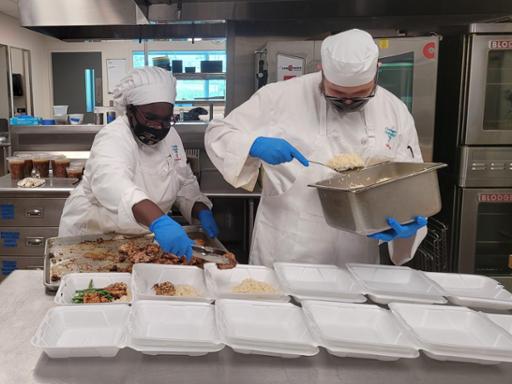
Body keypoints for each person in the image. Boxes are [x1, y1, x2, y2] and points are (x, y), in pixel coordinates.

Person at [205, 29, 427, 267]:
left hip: (356, 252)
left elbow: (409, 181)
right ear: (322, 71)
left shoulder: (395, 111)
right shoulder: (279, 97)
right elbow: (218, 133)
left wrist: (405, 223)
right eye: (338, 94)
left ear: (377, 72)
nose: (349, 102)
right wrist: (252, 145)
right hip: (288, 247)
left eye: (361, 94)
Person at [59, 67, 219, 262]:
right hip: (96, 238)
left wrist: (199, 207)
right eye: (151, 118)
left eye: (167, 119)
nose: (159, 127)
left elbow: (183, 181)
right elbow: (113, 184)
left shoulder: (171, 137)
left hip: (143, 238)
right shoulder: (114, 136)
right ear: (130, 110)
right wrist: (159, 221)